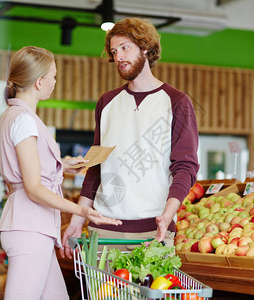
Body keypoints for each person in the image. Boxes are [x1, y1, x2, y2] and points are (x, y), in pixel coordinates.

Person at [61, 17, 199, 258]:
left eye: (125, 48)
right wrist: (76, 218)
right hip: (102, 232)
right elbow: (95, 169)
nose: (119, 57)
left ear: (145, 48)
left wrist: (168, 216)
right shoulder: (106, 103)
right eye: (114, 51)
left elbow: (185, 167)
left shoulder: (177, 102)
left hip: (154, 232)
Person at [0, 46, 121, 300]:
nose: (55, 82)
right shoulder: (25, 120)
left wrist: (62, 164)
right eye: (53, 76)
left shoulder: (14, 115)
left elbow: (26, 168)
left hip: (31, 226)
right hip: (30, 227)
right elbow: (33, 187)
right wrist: (80, 210)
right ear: (39, 82)